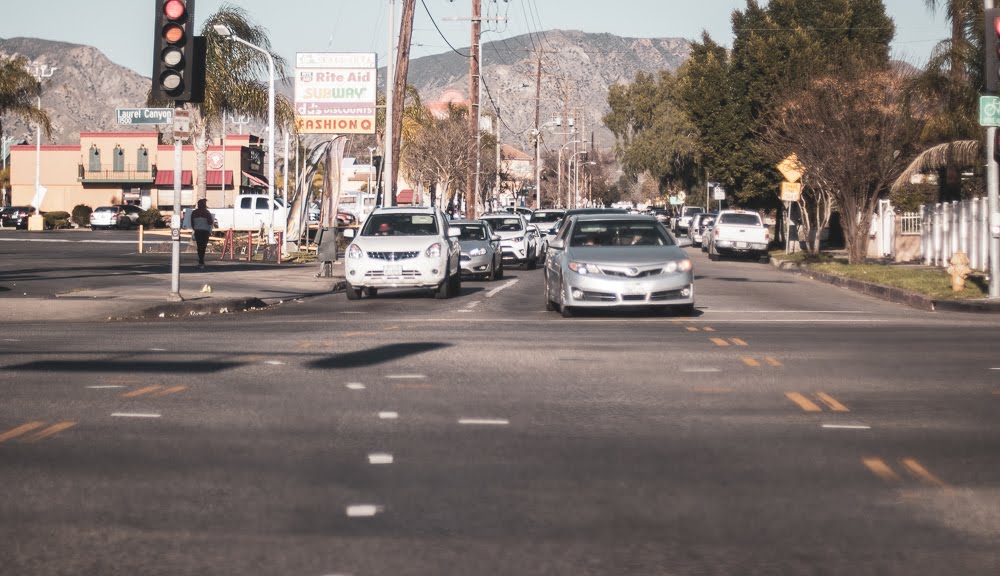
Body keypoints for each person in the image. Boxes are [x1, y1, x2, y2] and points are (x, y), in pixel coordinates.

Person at [190, 199, 214, 268]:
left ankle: (200, 260)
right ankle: (201, 260)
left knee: (199, 246)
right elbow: (210, 222)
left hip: (197, 231)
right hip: (205, 231)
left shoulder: (194, 213)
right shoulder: (206, 212)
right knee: (203, 246)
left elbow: (192, 223)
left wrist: (195, 228)